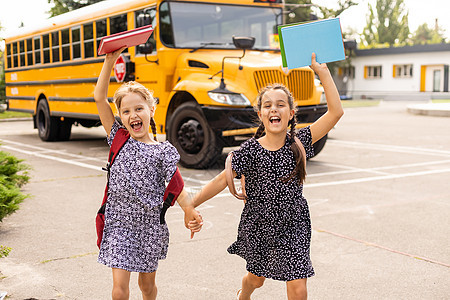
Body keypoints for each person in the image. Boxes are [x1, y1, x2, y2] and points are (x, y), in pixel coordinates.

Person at [190, 53, 343, 300]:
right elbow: (220, 180)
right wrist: (190, 205)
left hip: (294, 224)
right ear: (260, 114)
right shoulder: (249, 150)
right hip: (259, 225)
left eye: (281, 104)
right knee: (256, 278)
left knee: (298, 287)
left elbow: (335, 112)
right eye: (268, 105)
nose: (274, 108)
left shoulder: (299, 142)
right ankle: (245, 293)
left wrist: (322, 72)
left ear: (292, 113)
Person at [94, 47, 202, 300]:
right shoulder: (118, 138)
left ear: (151, 110)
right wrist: (109, 61)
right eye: (126, 111)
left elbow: (177, 186)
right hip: (119, 224)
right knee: (119, 290)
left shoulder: (163, 150)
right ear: (120, 116)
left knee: (146, 286)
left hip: (149, 228)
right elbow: (99, 98)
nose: (133, 115)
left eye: (139, 108)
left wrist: (190, 209)